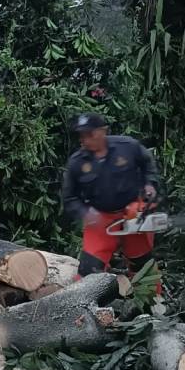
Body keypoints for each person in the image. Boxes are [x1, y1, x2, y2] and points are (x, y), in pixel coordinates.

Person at [61, 113, 161, 278]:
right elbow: (69, 198)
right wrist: (86, 213)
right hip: (100, 217)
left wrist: (150, 185)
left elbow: (147, 163)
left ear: (103, 131)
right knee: (89, 269)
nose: (85, 139)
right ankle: (86, 300)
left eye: (90, 134)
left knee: (143, 266)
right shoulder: (77, 162)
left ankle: (151, 302)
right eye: (82, 135)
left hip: (132, 212)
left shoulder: (127, 146)